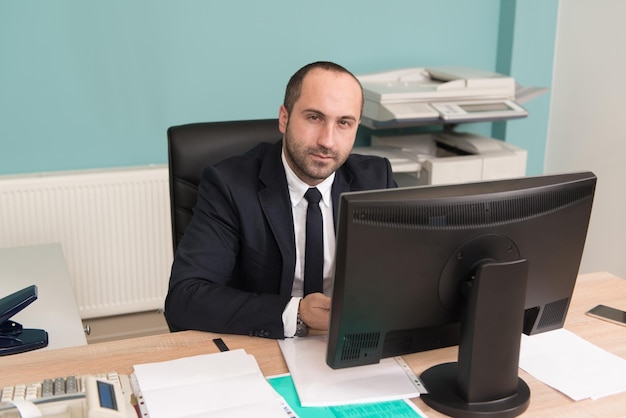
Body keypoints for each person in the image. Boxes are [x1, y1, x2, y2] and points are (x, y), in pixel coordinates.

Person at [164, 61, 396, 339]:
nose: (328, 141)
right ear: (284, 118)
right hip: (264, 340)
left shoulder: (375, 180)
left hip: (348, 341)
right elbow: (185, 298)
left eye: (344, 123)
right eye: (314, 118)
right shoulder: (229, 185)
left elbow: (405, 276)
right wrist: (297, 313)